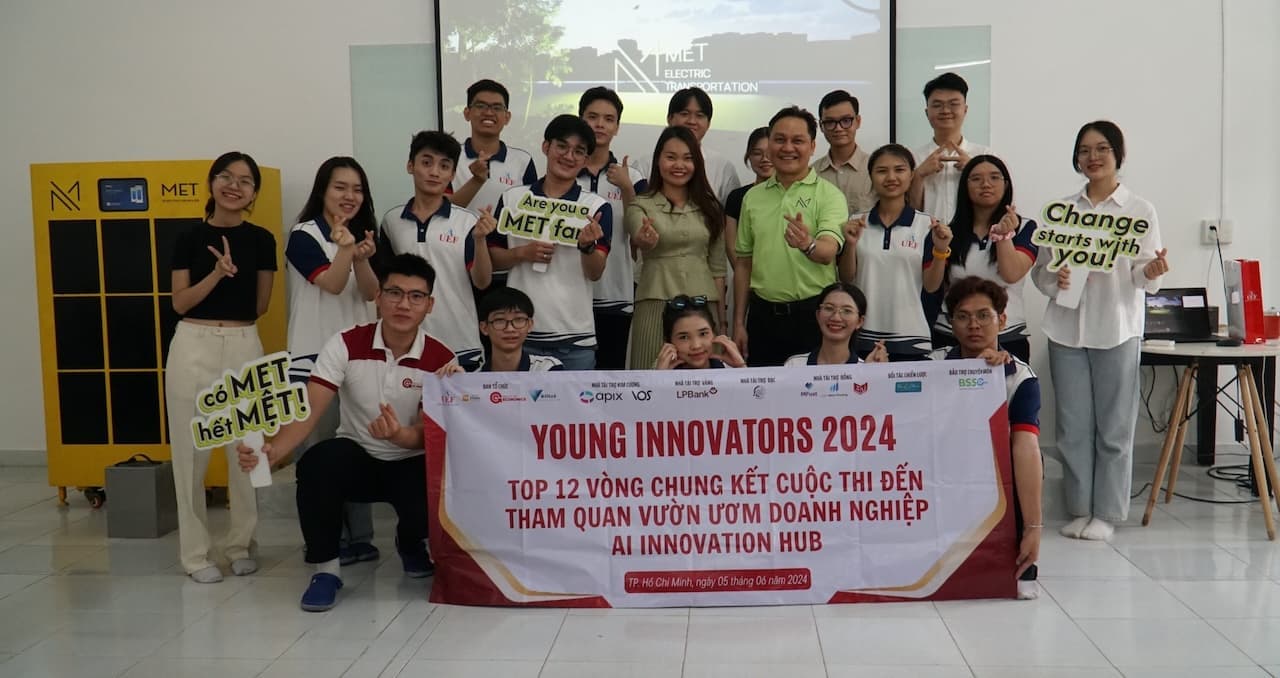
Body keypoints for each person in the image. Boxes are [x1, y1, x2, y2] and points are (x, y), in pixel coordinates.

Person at [236, 254, 456, 611]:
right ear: (378, 297)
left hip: (411, 461)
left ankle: (410, 543)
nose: (404, 304)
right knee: (317, 463)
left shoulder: (441, 358)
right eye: (394, 293)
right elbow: (310, 409)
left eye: (416, 296)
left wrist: (398, 435)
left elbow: (426, 435)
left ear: (429, 305)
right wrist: (274, 451)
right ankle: (326, 570)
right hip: (359, 456)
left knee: (442, 480)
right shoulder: (345, 343)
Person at [1031, 121, 1168, 542]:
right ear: (1076, 158)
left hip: (1117, 327)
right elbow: (1041, 271)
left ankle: (1107, 512)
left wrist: (1152, 271)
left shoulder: (1139, 210)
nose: (1093, 157)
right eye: (1085, 150)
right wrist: (1056, 280)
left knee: (1114, 426)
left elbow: (1144, 275)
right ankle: (1079, 508)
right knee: (1072, 426)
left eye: (1102, 149)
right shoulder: (1061, 211)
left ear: (1118, 154)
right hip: (1066, 329)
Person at [165, 151, 276, 583]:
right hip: (193, 342)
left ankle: (241, 544)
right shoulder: (187, 237)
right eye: (226, 177)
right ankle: (196, 555)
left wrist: (234, 278)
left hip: (244, 343)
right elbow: (179, 303)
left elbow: (260, 304)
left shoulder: (262, 239)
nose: (234, 186)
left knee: (248, 450)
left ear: (253, 193)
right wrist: (216, 274)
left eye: (245, 181)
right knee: (189, 453)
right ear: (211, 183)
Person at [285, 156, 380, 565]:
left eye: (357, 189)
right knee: (317, 456)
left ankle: (360, 537)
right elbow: (334, 284)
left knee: (357, 450)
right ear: (322, 190)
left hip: (357, 362)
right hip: (313, 363)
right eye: (340, 187)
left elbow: (371, 293)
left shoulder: (363, 236)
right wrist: (345, 251)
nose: (349, 196)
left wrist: (361, 256)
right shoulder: (303, 235)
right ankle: (324, 540)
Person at [929, 276, 1044, 599]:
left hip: (994, 483)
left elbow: (1026, 448)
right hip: (941, 477)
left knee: (1018, 583)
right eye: (963, 317)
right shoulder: (932, 367)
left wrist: (1034, 528)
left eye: (984, 316)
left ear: (1002, 320)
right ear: (951, 323)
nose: (973, 325)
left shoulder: (1020, 377)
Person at [488, 114, 611, 370]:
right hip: (519, 334)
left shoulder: (596, 207)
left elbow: (595, 272)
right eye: (562, 146)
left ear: (586, 160)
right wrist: (522, 253)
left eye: (579, 151)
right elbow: (492, 260)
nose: (569, 156)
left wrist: (587, 247)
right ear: (546, 147)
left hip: (575, 338)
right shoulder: (513, 198)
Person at [733, 106, 847, 367]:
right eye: (779, 139)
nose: (787, 148)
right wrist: (739, 322)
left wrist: (808, 244)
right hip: (762, 317)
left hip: (812, 316)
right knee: (763, 392)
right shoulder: (752, 197)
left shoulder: (829, 195)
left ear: (812, 146)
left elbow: (828, 251)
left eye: (797, 141)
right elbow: (743, 263)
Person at [379, 131, 495, 370]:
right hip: (406, 346)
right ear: (410, 166)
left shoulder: (468, 221)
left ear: (452, 174)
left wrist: (480, 240)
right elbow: (384, 286)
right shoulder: (391, 221)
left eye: (444, 166)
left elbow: (482, 282)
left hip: (461, 345)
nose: (434, 172)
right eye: (426, 162)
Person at [626, 126, 727, 370]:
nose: (679, 165)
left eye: (687, 158)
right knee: (650, 375)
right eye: (671, 157)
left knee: (706, 382)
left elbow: (717, 270)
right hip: (655, 303)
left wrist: (722, 323)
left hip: (703, 306)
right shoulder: (641, 204)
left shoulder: (711, 207)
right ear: (658, 160)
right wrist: (645, 240)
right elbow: (638, 234)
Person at [839, 144, 946, 361]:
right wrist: (850, 244)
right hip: (862, 335)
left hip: (912, 337)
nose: (891, 177)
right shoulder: (856, 222)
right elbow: (846, 278)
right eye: (881, 171)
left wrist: (940, 250)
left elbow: (931, 286)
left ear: (911, 175)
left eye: (899, 170)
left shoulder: (927, 225)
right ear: (871, 176)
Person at [929, 155, 1038, 361]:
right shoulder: (948, 231)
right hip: (952, 334)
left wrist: (1004, 236)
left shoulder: (1025, 227)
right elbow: (932, 286)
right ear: (965, 186)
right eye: (976, 179)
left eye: (994, 177)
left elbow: (1011, 274)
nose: (986, 184)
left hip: (1007, 333)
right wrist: (940, 249)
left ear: (1006, 185)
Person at [578, 87, 648, 369]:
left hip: (615, 293)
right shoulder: (565, 172)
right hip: (571, 295)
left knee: (611, 377)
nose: (600, 124)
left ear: (617, 127)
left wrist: (627, 187)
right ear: (581, 119)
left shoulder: (633, 177)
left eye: (608, 119)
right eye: (592, 117)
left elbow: (639, 235)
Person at [908, 72, 992, 223]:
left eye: (953, 104)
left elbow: (998, 203)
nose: (945, 111)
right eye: (937, 105)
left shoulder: (985, 156)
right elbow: (909, 211)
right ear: (927, 112)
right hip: (927, 235)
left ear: (965, 109)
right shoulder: (912, 158)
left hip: (973, 235)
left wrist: (974, 171)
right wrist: (919, 175)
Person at [449, 79, 538, 214]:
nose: (489, 113)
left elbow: (530, 211)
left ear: (507, 117)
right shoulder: (451, 157)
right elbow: (440, 210)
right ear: (467, 113)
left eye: (497, 108)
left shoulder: (523, 161)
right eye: (481, 106)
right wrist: (476, 180)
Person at [439, 286, 564, 373]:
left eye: (518, 319)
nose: (510, 328)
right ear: (484, 327)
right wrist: (459, 385)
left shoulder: (547, 369)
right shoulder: (475, 379)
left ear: (530, 324)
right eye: (500, 320)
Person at [783, 282, 888, 366]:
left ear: (860, 321)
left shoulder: (866, 368)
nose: (836, 317)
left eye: (847, 311)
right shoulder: (794, 365)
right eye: (829, 308)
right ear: (818, 315)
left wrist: (871, 374)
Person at [666, 87, 742, 202]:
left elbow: (731, 209)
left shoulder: (723, 167)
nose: (692, 121)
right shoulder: (646, 164)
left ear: (708, 123)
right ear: (670, 119)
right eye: (684, 114)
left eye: (700, 115)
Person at [813, 89, 875, 215]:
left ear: (858, 121)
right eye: (830, 122)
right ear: (821, 126)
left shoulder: (875, 169)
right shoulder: (811, 174)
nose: (838, 128)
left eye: (846, 121)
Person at [722, 126, 773, 264]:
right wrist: (743, 274)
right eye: (757, 153)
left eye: (770, 153)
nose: (765, 159)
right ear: (748, 156)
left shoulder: (793, 194)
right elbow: (731, 247)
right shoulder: (737, 197)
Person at [654, 295, 745, 369]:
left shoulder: (729, 369)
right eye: (684, 337)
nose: (696, 346)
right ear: (669, 341)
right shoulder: (661, 372)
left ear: (714, 334)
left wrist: (741, 366)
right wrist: (660, 377)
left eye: (703, 334)